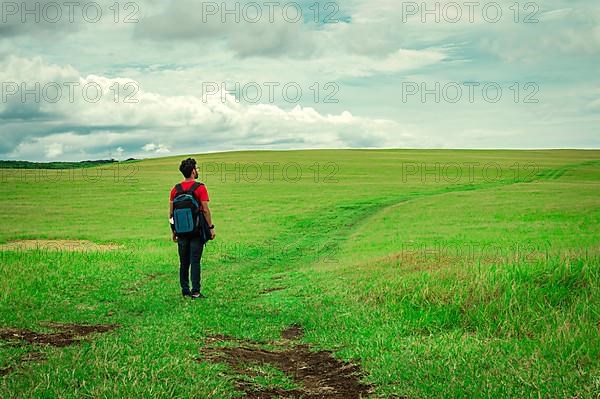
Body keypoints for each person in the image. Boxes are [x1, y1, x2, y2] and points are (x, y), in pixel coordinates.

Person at [169, 158, 215, 299]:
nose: (198, 170)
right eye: (197, 168)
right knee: (195, 260)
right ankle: (195, 291)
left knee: (184, 261)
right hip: (197, 230)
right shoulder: (200, 188)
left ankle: (185, 290)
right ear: (193, 171)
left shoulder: (175, 189)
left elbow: (171, 213)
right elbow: (206, 210)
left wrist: (174, 231)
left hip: (181, 230)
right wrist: (211, 228)